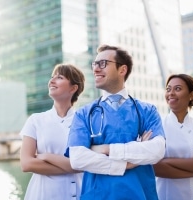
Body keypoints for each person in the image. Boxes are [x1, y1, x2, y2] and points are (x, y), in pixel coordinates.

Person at [64, 44, 166, 200]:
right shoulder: (84, 114)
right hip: (97, 195)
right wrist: (128, 162)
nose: (96, 69)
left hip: (140, 194)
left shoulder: (147, 111)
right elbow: (77, 158)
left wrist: (105, 148)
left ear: (122, 70)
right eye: (95, 64)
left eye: (102, 64)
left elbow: (156, 150)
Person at [19, 64, 85, 200]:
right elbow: (26, 164)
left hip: (77, 194)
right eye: (52, 77)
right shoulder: (35, 120)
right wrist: (73, 166)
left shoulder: (84, 122)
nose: (52, 81)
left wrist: (46, 156)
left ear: (73, 88)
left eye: (59, 77)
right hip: (42, 194)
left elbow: (86, 163)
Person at [154, 74, 193, 200]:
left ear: (191, 95)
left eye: (177, 89)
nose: (171, 93)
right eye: (168, 89)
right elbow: (155, 167)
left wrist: (168, 162)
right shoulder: (156, 126)